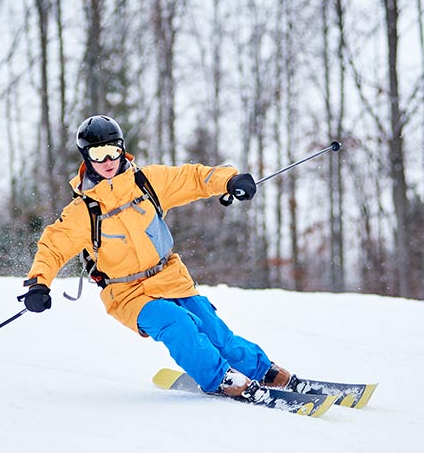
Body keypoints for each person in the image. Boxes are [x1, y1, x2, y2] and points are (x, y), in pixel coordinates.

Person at [21, 115, 298, 402]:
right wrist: (38, 284)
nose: (107, 160)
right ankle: (219, 378)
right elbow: (53, 245)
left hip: (170, 277)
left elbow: (192, 178)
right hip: (127, 294)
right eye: (97, 153)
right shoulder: (83, 210)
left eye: (113, 150)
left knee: (214, 330)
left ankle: (262, 370)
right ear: (86, 157)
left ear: (121, 149)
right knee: (177, 324)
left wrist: (229, 180)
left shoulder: (146, 182)